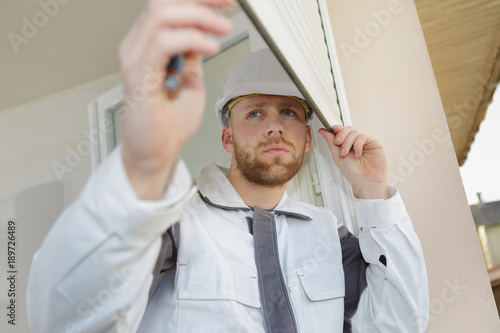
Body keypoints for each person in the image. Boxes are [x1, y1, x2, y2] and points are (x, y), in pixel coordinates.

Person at [26, 0, 429, 332]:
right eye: (255, 113)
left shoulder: (329, 234)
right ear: (227, 137)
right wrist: (144, 163)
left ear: (308, 141)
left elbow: (399, 324)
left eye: (288, 112)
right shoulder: (174, 225)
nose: (274, 126)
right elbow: (64, 320)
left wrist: (373, 193)